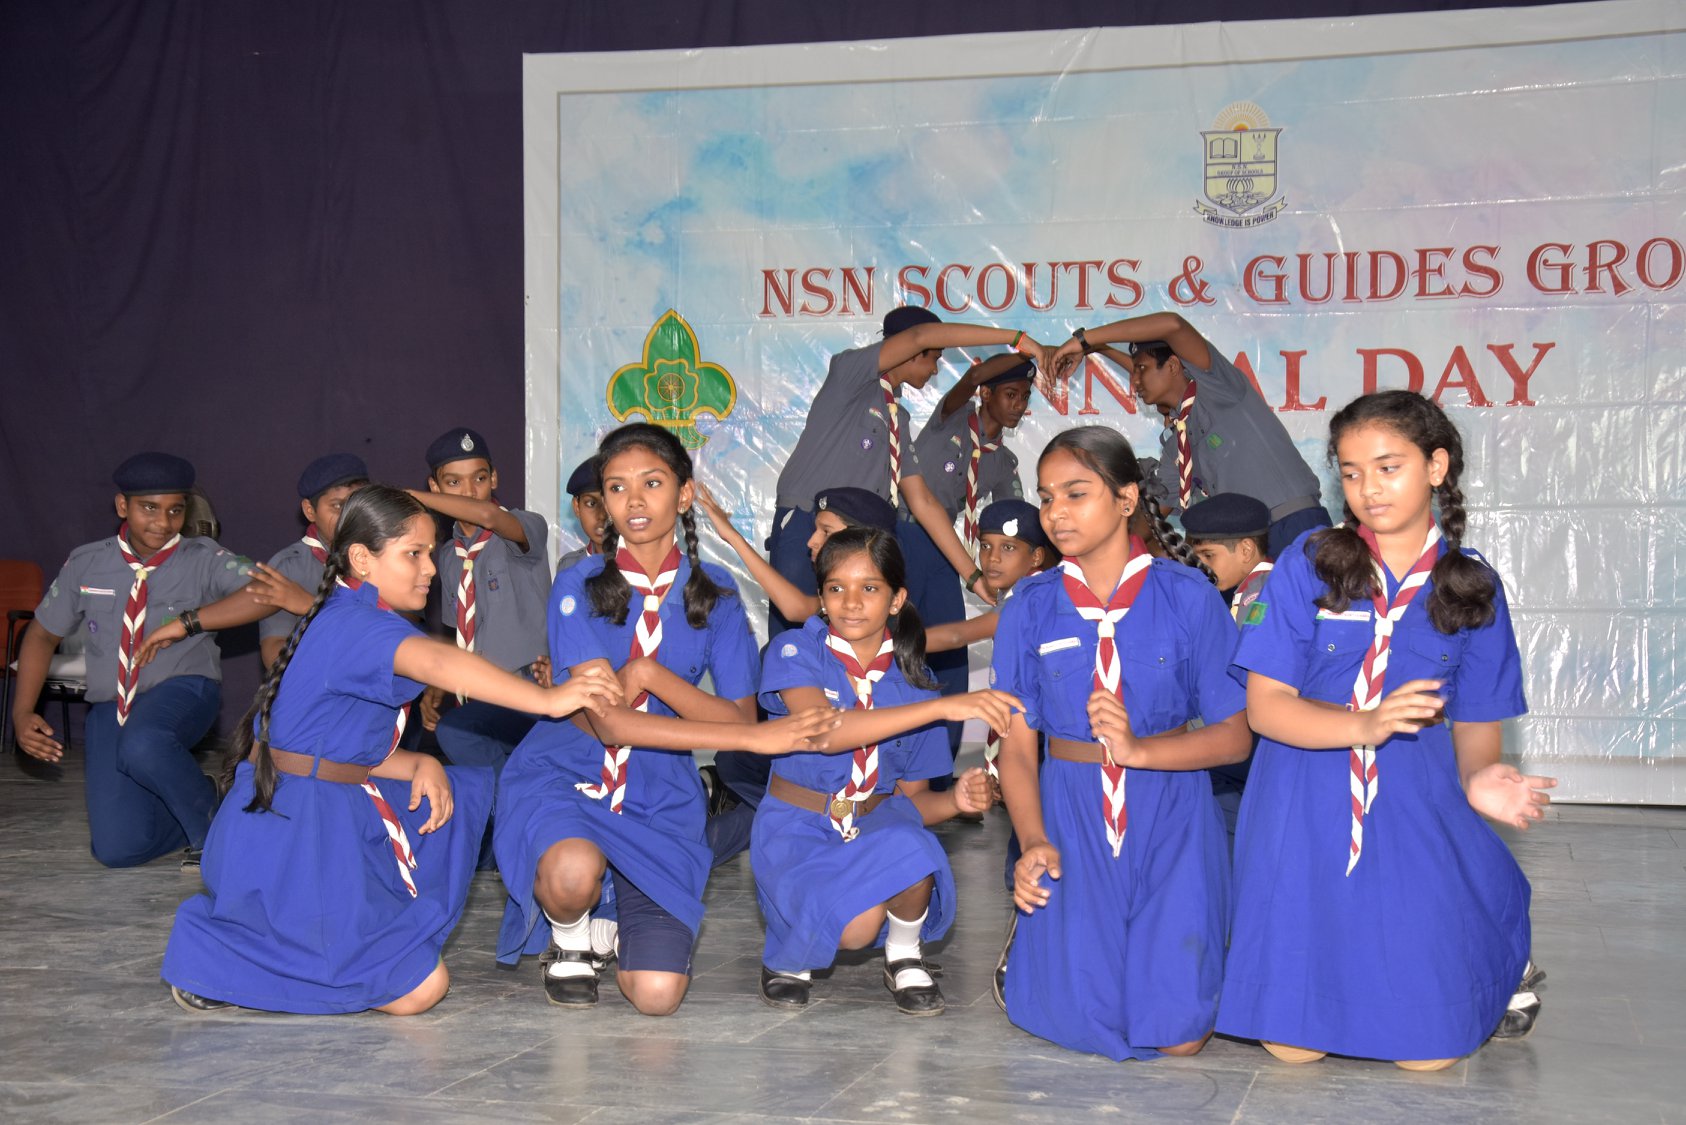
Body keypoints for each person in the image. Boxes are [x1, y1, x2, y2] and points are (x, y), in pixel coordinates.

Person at [160, 485, 623, 1015]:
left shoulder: (354, 613)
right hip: (297, 834)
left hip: (317, 805)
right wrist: (549, 698)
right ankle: (218, 957)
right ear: (362, 558)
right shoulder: (355, 624)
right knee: (420, 989)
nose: (429, 569)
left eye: (430, 553)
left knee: (457, 797)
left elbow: (334, 746)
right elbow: (441, 663)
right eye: (413, 554)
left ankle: (266, 946)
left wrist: (419, 760)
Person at [1217, 390, 1555, 1070]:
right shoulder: (1307, 563)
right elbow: (1266, 708)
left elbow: (1477, 724)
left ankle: (1481, 967)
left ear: (1436, 466)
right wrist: (1364, 723)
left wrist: (1481, 777)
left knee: (1427, 1054)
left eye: (1387, 467)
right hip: (1301, 796)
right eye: (1350, 472)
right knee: (1293, 1049)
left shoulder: (1472, 586)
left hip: (1413, 798)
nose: (1368, 489)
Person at [493, 423, 841, 1016]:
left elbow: (739, 716)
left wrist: (651, 676)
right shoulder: (576, 584)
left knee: (657, 996)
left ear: (684, 495)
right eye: (616, 487)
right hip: (569, 770)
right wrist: (752, 733)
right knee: (572, 873)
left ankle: (614, 911)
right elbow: (609, 723)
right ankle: (572, 934)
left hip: (659, 789)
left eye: (651, 484)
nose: (633, 501)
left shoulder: (718, 594)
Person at [992, 426, 1251, 1061]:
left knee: (1178, 1037)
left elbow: (1235, 735)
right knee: (1089, 1019)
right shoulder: (1029, 607)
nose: (1055, 513)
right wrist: (1033, 841)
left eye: (1075, 493)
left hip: (1172, 810)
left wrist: (1139, 752)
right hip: (1071, 813)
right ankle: (1034, 948)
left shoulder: (1189, 596)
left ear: (1127, 498)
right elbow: (1017, 750)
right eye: (1046, 497)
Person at [753, 527, 1013, 1015]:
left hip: (872, 822)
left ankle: (904, 953)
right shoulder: (796, 652)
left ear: (896, 600)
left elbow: (911, 803)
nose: (851, 602)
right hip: (797, 827)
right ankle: (788, 955)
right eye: (836, 588)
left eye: (869, 588)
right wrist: (941, 708)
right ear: (821, 597)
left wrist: (956, 800)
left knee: (913, 843)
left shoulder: (915, 681)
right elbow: (825, 732)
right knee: (856, 927)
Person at [10, 453, 266, 868]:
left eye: (175, 510)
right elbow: (41, 635)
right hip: (112, 704)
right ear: (122, 506)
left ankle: (214, 839)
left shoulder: (204, 557)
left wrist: (188, 623)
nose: (163, 522)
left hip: (183, 688)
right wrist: (22, 712)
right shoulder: (87, 562)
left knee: (144, 743)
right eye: (149, 508)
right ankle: (205, 799)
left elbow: (266, 593)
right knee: (118, 849)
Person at [766, 306, 1049, 635]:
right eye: (934, 358)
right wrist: (1017, 339)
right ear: (914, 351)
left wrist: (973, 578)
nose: (935, 370)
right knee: (793, 638)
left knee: (839, 642)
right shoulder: (850, 376)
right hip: (806, 525)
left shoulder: (897, 420)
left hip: (854, 545)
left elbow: (923, 501)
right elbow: (920, 336)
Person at [1050, 313, 1330, 557]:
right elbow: (1157, 509)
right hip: (1243, 549)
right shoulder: (1178, 441)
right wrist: (1101, 546)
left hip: (1294, 526)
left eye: (1141, 369)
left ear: (1173, 366)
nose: (1134, 382)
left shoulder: (1220, 390)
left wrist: (1086, 340)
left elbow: (1173, 325)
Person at [899, 354, 1033, 775]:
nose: (1019, 405)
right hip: (902, 538)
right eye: (1010, 394)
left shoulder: (1003, 462)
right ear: (986, 394)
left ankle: (940, 774)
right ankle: (888, 764)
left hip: (945, 553)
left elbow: (1019, 521)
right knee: (895, 645)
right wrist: (1024, 348)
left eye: (1025, 397)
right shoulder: (951, 418)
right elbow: (973, 375)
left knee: (950, 657)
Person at [411, 428, 554, 779]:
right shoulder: (448, 555)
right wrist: (438, 684)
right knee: (460, 745)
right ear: (435, 487)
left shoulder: (524, 526)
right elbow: (457, 632)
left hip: (532, 688)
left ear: (495, 479)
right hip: (480, 697)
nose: (470, 491)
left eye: (479, 478)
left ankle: (516, 800)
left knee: (456, 733)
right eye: (454, 482)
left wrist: (408, 497)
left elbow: (488, 517)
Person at [1181, 491, 1275, 841]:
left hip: (1255, 742)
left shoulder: (1261, 595)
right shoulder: (1248, 591)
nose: (1200, 565)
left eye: (1208, 555)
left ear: (1246, 550)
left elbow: (1242, 671)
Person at [257, 454, 370, 669]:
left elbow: (403, 635)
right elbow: (274, 651)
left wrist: (310, 606)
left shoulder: (391, 555)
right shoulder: (290, 566)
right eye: (337, 506)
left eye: (357, 504)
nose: (349, 515)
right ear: (310, 511)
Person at [557, 457, 609, 573]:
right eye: (591, 503)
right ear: (577, 506)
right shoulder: (569, 567)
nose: (602, 515)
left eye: (609, 504)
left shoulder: (644, 564)